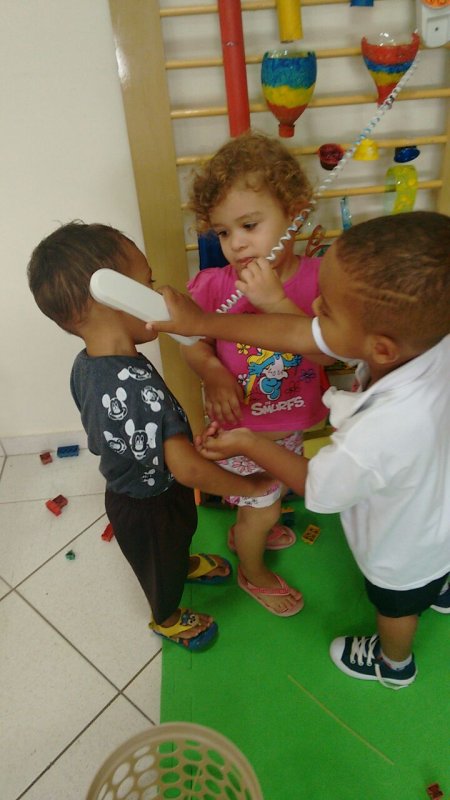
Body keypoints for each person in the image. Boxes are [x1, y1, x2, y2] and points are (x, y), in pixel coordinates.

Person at [149, 210, 450, 687]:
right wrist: (202, 321)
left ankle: (393, 664)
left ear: (381, 348)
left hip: (404, 547)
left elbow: (317, 486)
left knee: (396, 605)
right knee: (435, 572)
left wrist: (248, 441)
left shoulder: (381, 431)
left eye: (325, 310)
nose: (314, 309)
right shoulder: (429, 340)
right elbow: (297, 333)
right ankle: (440, 587)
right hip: (440, 514)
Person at [27, 221, 275, 653]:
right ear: (113, 297)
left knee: (174, 544)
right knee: (160, 567)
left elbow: (138, 432)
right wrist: (248, 487)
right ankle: (167, 618)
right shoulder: (131, 384)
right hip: (148, 504)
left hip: (143, 490)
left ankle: (181, 563)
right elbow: (188, 469)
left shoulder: (87, 365)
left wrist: (176, 439)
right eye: (147, 284)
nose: (159, 294)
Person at [180, 131, 332, 616]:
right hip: (241, 431)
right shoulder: (212, 286)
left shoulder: (321, 280)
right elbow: (191, 340)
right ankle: (253, 568)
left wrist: (277, 303)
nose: (236, 244)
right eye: (224, 233)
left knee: (273, 492)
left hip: (291, 425)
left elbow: (329, 356)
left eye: (249, 225)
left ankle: (255, 521)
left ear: (295, 214)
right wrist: (212, 372)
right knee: (262, 507)